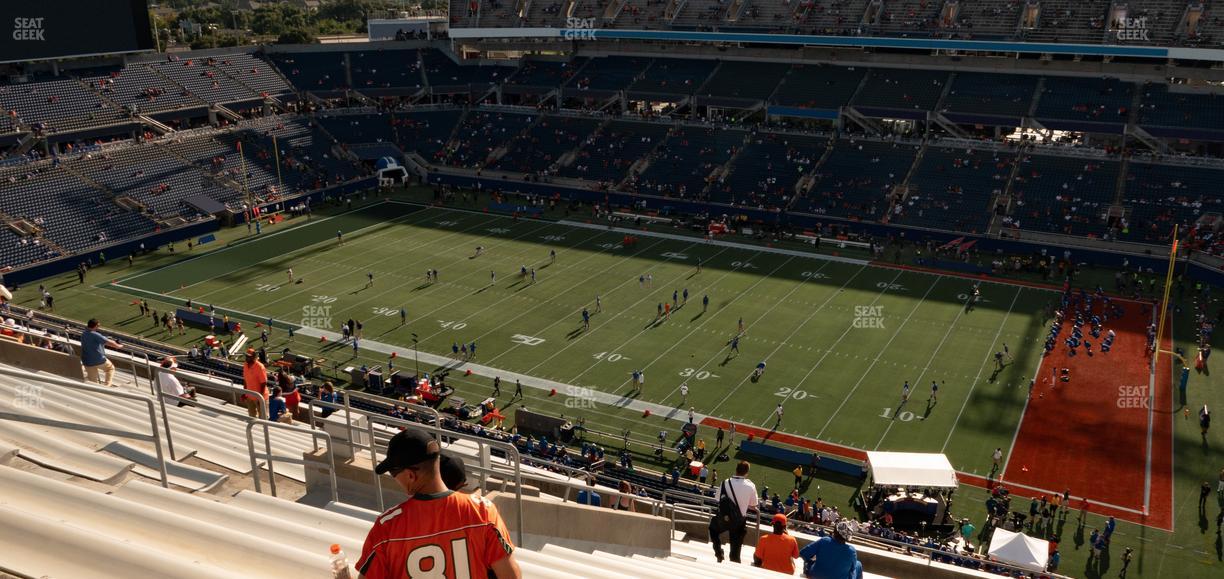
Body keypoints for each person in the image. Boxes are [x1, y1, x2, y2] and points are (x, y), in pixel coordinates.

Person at [359, 430, 520, 579]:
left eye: (393, 473)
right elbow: (511, 576)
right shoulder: (482, 511)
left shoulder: (386, 527)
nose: (394, 478)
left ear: (410, 475)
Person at [709, 460, 759, 563]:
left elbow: (717, 499)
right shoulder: (751, 485)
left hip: (725, 517)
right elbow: (754, 505)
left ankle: (719, 552)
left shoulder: (725, 482)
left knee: (713, 530)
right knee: (735, 551)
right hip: (739, 521)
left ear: (736, 470)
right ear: (746, 473)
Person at [81, 319, 121, 387]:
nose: (98, 327)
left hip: (87, 361)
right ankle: (107, 386)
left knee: (93, 382)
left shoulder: (84, 333)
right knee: (110, 368)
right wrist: (119, 346)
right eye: (98, 326)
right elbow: (109, 343)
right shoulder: (95, 334)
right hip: (98, 360)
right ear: (96, 326)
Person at [243, 348, 268, 418]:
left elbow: (263, 383)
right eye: (246, 356)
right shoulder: (245, 365)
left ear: (253, 357)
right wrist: (245, 393)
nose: (247, 358)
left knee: (263, 418)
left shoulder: (260, 367)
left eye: (249, 356)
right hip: (249, 396)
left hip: (259, 397)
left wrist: (261, 398)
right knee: (251, 417)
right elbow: (245, 380)